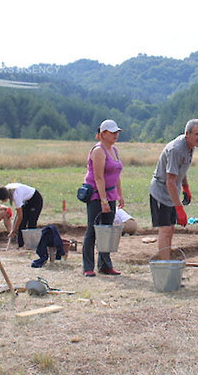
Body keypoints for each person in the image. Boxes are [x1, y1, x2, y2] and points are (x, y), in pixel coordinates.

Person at [149, 119, 198, 260]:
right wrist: (179, 208)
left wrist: (186, 187)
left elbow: (180, 170)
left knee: (171, 229)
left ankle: (167, 261)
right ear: (188, 134)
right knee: (165, 229)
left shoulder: (190, 147)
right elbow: (170, 181)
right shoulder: (176, 149)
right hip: (161, 191)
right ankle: (165, 266)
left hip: (173, 190)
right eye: (197, 135)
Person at [81, 119, 125, 277]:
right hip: (96, 195)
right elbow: (99, 177)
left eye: (117, 133)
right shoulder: (98, 151)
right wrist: (103, 200)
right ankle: (88, 266)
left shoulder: (114, 150)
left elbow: (116, 174)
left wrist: (119, 195)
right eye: (113, 133)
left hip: (111, 193)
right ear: (103, 134)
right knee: (92, 230)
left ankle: (105, 264)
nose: (116, 135)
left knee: (107, 230)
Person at [0, 183, 43, 248]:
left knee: (31, 222)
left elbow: (20, 217)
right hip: (25, 201)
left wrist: (14, 231)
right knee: (22, 223)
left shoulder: (16, 195)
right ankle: (21, 245)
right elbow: (21, 217)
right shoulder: (5, 189)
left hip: (35, 199)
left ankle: (32, 246)